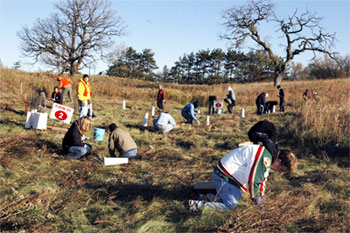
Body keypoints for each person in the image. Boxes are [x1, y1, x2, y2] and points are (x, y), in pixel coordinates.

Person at [189, 146, 298, 211]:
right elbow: (253, 181)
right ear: (279, 161)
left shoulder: (268, 155)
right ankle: (198, 205)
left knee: (241, 201)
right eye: (281, 169)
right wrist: (258, 203)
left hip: (230, 178)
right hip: (224, 177)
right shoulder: (265, 158)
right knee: (234, 207)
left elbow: (262, 180)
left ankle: (207, 197)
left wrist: (262, 196)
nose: (279, 172)